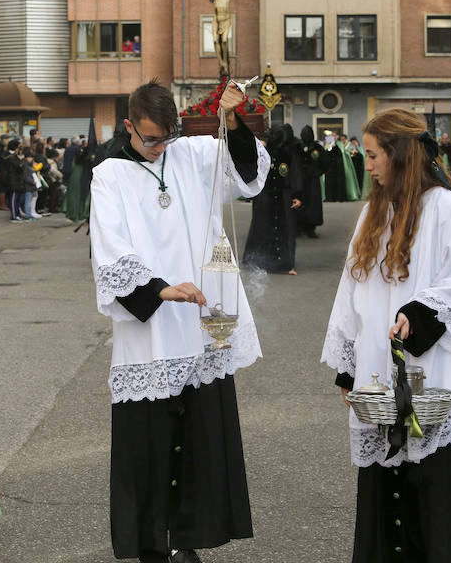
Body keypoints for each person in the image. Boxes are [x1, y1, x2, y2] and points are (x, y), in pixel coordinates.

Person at [89, 79, 269, 563]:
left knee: (201, 439)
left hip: (204, 318)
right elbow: (111, 250)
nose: (160, 146)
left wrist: (233, 119)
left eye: (167, 135)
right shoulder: (109, 175)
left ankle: (188, 537)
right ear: (129, 126)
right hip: (150, 327)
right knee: (149, 442)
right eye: (150, 138)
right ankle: (151, 542)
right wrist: (159, 289)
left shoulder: (191, 153)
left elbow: (248, 175)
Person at [321, 108, 451, 563]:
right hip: (378, 370)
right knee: (381, 493)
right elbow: (350, 289)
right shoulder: (374, 212)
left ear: (399, 154)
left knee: (430, 493)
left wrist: (419, 311)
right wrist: (348, 367)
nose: (366, 164)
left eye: (373, 155)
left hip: (430, 373)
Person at [242, 125, 303, 274]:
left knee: (284, 228)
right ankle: (262, 261)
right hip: (265, 196)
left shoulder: (288, 154)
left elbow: (295, 173)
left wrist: (297, 195)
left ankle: (286, 264)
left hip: (282, 196)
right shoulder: (262, 152)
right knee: (263, 228)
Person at [296, 125, 327, 238]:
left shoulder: (317, 148)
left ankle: (310, 228)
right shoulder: (298, 147)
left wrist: (317, 173)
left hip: (312, 181)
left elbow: (325, 163)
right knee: (299, 202)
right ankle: (298, 226)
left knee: (312, 204)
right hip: (300, 180)